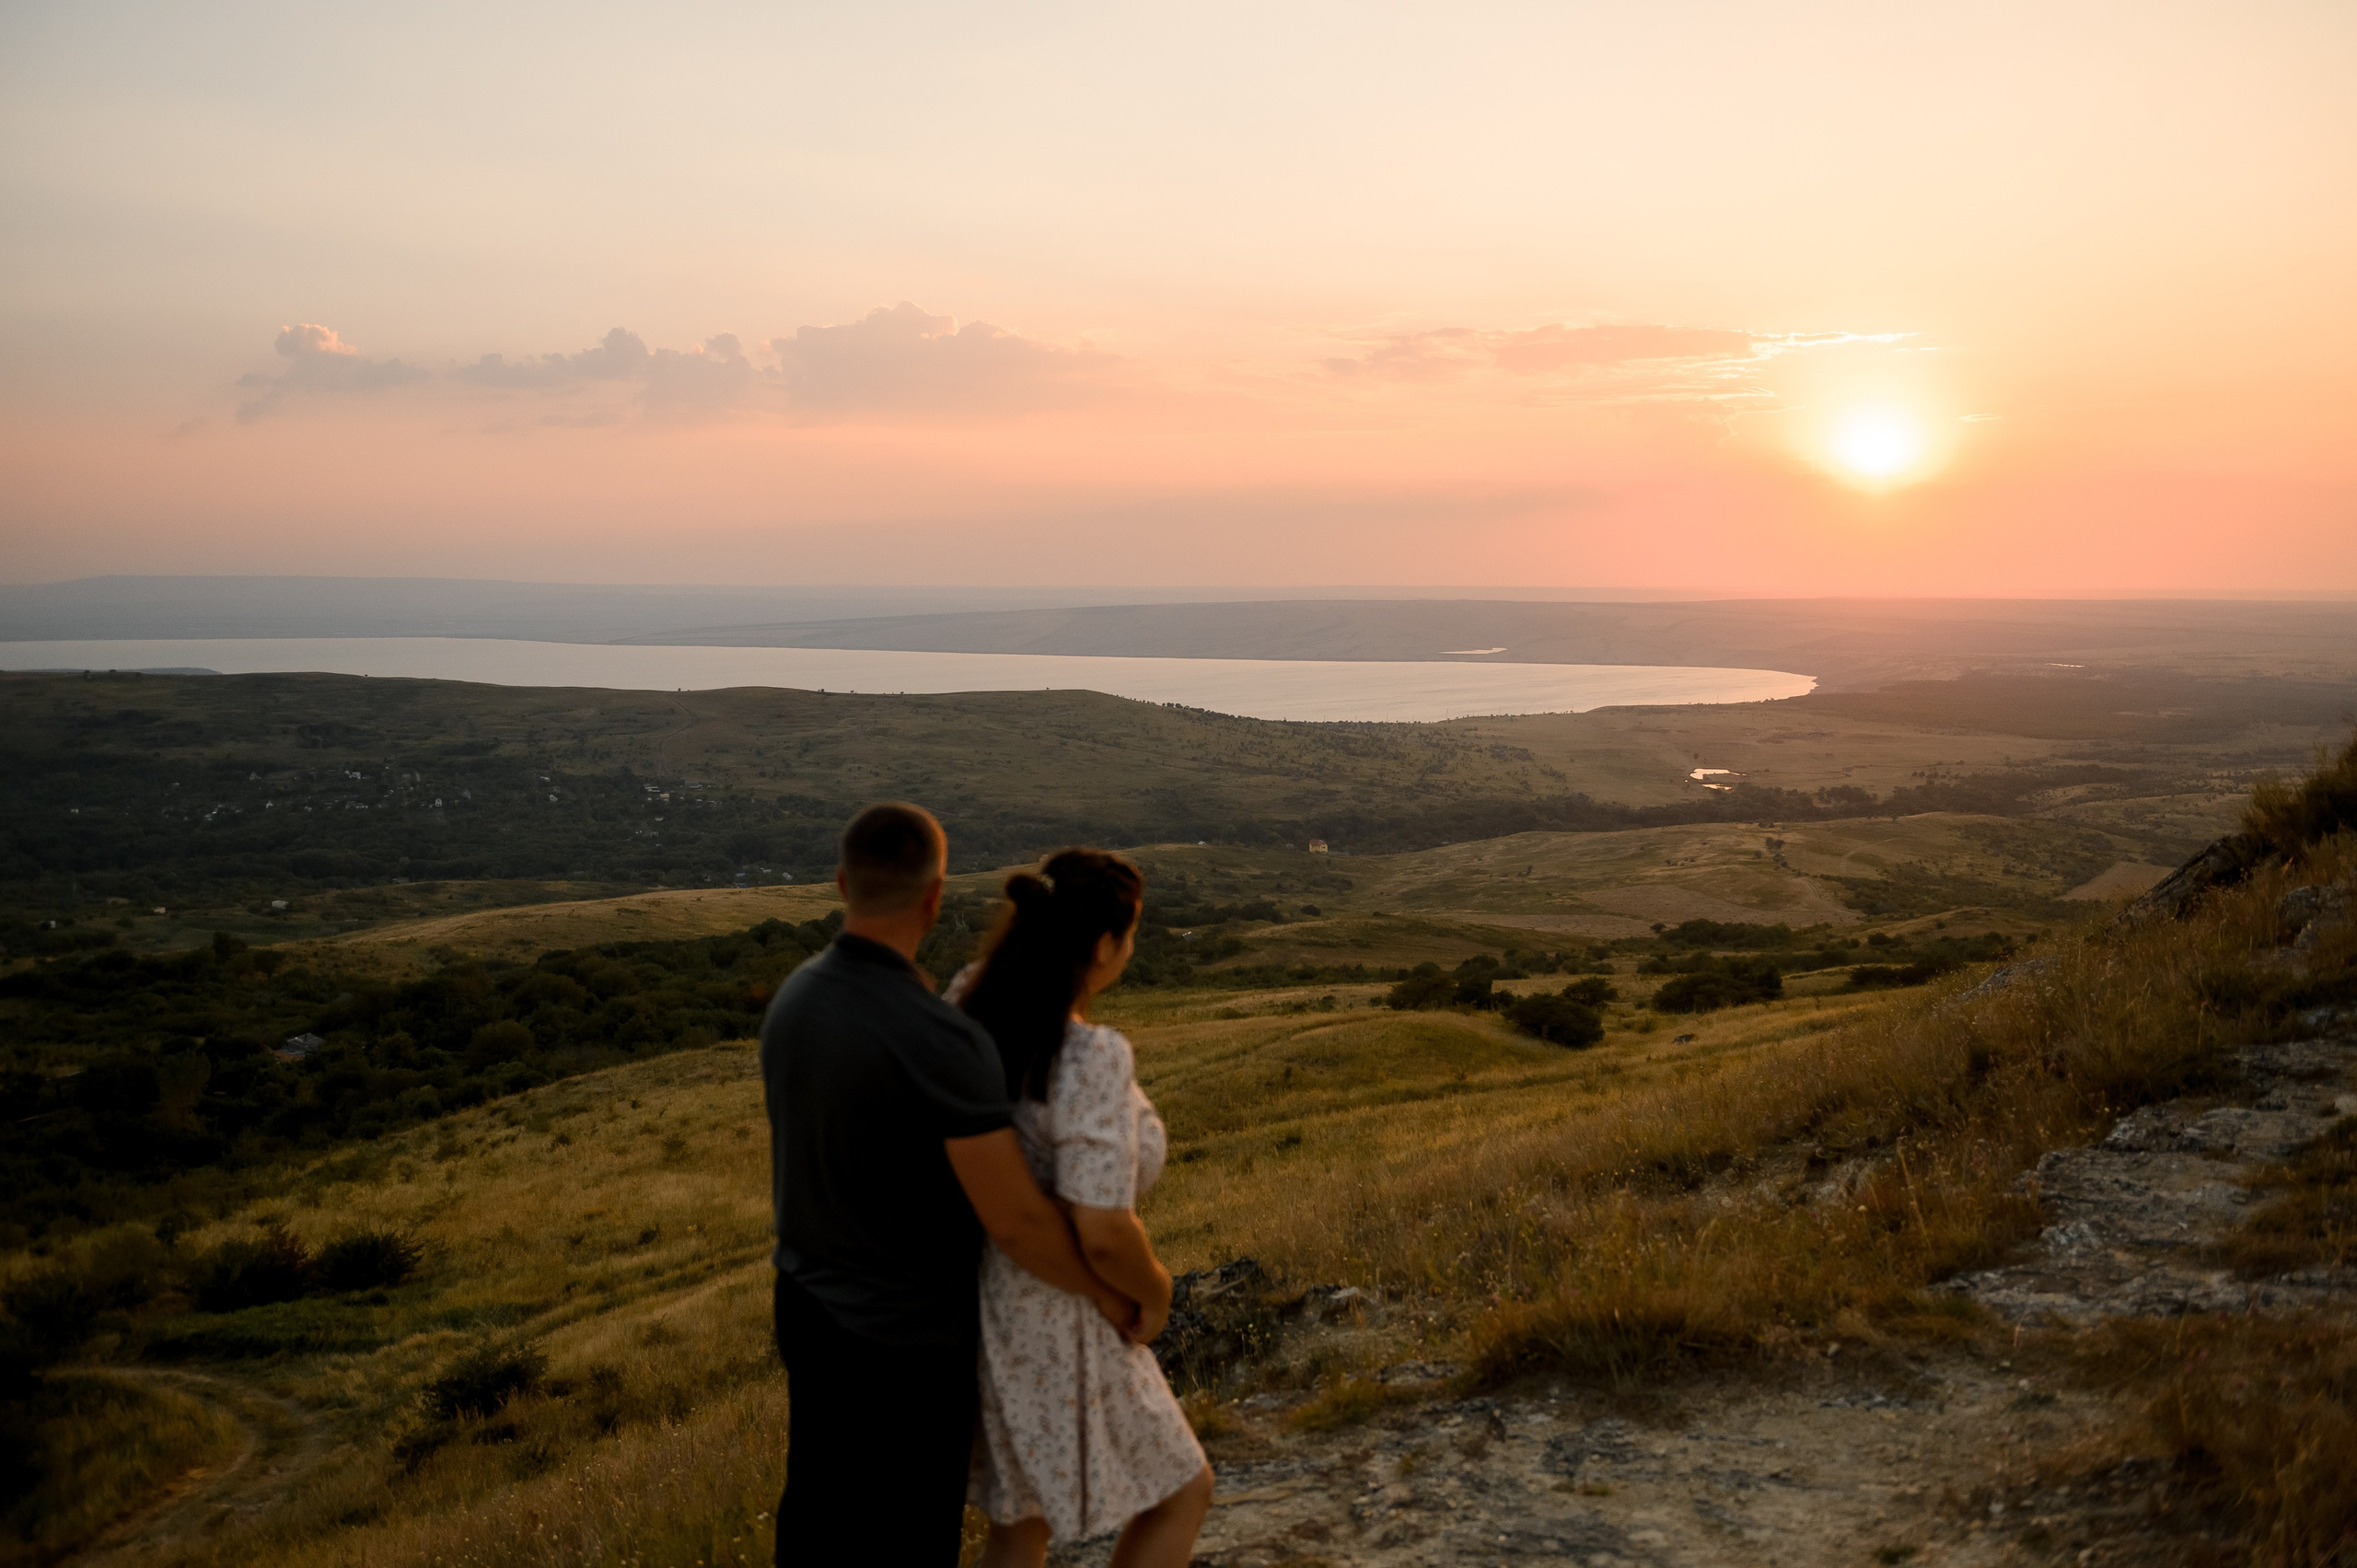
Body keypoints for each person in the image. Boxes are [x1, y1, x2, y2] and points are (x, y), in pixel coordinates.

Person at [760, 804, 1138, 1565]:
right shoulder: (938, 1037)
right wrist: (1106, 1290)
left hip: (807, 1305)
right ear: (934, 897)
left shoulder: (795, 997)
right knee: (907, 1538)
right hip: (904, 1338)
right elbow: (1017, 1223)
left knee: (818, 1524)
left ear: (842, 882)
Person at [951, 849, 1214, 1568]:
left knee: (1020, 1521)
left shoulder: (970, 999)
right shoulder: (1088, 1055)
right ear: (1104, 944)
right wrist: (1153, 1292)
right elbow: (1101, 1228)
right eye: (1130, 936)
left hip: (978, 1298)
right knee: (1183, 1489)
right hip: (1065, 1311)